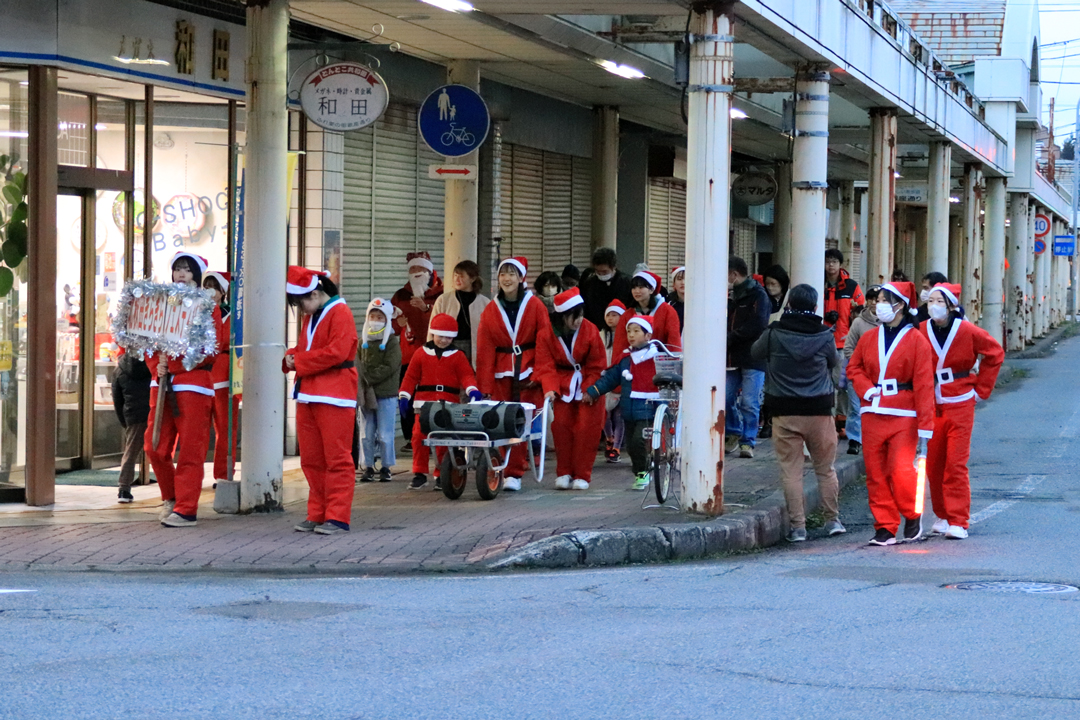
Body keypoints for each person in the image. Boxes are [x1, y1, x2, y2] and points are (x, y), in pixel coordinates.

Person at [751, 284, 846, 542]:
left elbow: (755, 353)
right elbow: (833, 363)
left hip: (785, 411)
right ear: (815, 308)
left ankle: (798, 527)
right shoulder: (825, 335)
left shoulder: (774, 334)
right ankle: (832, 520)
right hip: (819, 410)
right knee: (825, 469)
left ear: (788, 305)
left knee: (791, 472)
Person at [846, 281, 935, 546]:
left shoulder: (917, 340)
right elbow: (854, 367)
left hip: (904, 413)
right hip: (872, 410)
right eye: (878, 299)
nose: (878, 304)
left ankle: (911, 514)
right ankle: (884, 525)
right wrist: (866, 390)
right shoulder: (869, 337)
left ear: (900, 305)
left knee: (901, 470)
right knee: (875, 473)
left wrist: (925, 424)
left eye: (885, 299)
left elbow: (923, 384)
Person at [919, 283, 1004, 539]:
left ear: (951, 305)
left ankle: (959, 519)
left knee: (955, 463)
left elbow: (995, 353)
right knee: (934, 464)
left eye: (939, 301)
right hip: (933, 402)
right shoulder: (922, 329)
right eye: (930, 301)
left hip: (961, 400)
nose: (933, 306)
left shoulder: (967, 329)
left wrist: (981, 389)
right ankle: (942, 515)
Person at [145, 252, 220, 528]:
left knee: (190, 449)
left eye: (187, 270)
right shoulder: (164, 303)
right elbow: (150, 340)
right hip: (162, 385)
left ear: (197, 276)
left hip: (194, 386)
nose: (181, 274)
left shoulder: (207, 305)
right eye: (177, 269)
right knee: (154, 446)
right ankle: (171, 498)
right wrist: (156, 367)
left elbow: (209, 350)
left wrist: (173, 364)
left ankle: (186, 509)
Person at [284, 266, 359, 535]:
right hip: (309, 394)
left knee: (337, 459)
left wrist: (298, 360)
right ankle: (318, 513)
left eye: (301, 301)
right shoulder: (316, 313)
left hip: (335, 395)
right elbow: (309, 348)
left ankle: (337, 516)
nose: (301, 308)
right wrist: (291, 357)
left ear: (315, 293)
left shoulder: (341, 312)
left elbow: (336, 353)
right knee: (312, 459)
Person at [476, 257, 551, 492]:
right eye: (502, 274)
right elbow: (485, 348)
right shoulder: (491, 309)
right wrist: (484, 385)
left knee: (520, 423)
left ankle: (515, 472)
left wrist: (539, 373)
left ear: (521, 278)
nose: (506, 279)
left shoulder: (536, 306)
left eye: (511, 274)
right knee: (498, 422)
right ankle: (497, 467)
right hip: (500, 373)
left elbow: (545, 342)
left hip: (527, 371)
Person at [399, 314, 481, 490]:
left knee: (444, 440)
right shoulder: (420, 353)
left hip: (448, 406)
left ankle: (440, 473)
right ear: (432, 334)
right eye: (440, 336)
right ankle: (419, 473)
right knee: (418, 438)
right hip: (423, 405)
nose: (444, 340)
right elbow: (410, 377)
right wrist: (404, 396)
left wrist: (472, 389)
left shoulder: (458, 356)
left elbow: (467, 375)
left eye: (448, 337)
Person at [536, 288, 607, 490]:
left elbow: (597, 364)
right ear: (562, 316)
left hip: (588, 381)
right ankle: (564, 472)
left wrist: (591, 389)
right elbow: (545, 364)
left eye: (581, 315)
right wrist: (549, 388)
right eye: (573, 317)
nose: (578, 321)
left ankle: (582, 474)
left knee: (587, 429)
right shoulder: (545, 334)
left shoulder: (590, 330)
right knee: (561, 428)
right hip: (562, 383)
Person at [584, 316, 662, 490]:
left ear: (648, 335)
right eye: (629, 331)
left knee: (638, 442)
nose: (631, 335)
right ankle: (640, 471)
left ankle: (643, 472)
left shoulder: (657, 357)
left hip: (648, 410)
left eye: (636, 331)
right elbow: (611, 378)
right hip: (628, 410)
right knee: (631, 445)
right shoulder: (625, 358)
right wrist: (594, 391)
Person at [391, 251, 444, 453]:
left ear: (429, 272)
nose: (417, 273)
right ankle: (409, 437)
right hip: (408, 355)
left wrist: (425, 309)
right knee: (407, 396)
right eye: (413, 269)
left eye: (421, 269)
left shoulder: (441, 295)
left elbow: (443, 321)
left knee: (432, 395)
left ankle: (434, 433)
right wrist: (398, 323)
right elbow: (391, 326)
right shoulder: (401, 295)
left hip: (434, 355)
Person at [725, 256, 770, 458]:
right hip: (731, 356)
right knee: (725, 397)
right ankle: (734, 431)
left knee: (749, 402)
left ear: (734, 274)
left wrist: (732, 336)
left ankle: (748, 440)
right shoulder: (730, 295)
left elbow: (759, 323)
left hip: (753, 356)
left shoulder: (758, 295)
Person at [358, 298, 401, 483]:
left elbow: (390, 365)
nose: (375, 320)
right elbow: (357, 363)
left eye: (380, 317)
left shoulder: (391, 341)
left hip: (386, 394)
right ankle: (367, 466)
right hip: (367, 394)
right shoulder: (362, 341)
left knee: (385, 434)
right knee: (366, 434)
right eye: (372, 316)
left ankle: (386, 466)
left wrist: (368, 377)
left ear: (387, 320)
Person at [823, 249, 865, 436]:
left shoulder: (851, 286)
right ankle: (827, 420)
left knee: (842, 385)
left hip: (842, 342)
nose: (830, 265)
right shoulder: (818, 282)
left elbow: (860, 311)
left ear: (840, 264)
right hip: (822, 341)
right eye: (827, 261)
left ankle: (842, 419)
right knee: (826, 384)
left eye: (834, 262)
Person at [203, 270, 239, 485]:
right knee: (197, 430)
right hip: (201, 377)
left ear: (223, 292)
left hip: (226, 377)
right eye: (206, 287)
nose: (210, 292)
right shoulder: (196, 313)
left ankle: (223, 475)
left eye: (214, 288)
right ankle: (191, 475)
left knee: (226, 429)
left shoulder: (232, 314)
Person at [842, 284, 882, 455]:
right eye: (871, 299)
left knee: (876, 409)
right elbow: (848, 347)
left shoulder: (889, 322)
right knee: (855, 407)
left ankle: (874, 439)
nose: (874, 303)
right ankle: (854, 439)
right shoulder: (858, 322)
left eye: (878, 299)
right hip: (859, 373)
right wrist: (858, 364)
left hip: (881, 375)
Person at [429, 260, 490, 367]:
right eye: (455, 275)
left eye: (461, 276)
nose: (457, 279)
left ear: (473, 278)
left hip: (474, 350)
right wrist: (430, 352)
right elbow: (432, 329)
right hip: (447, 347)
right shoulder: (443, 299)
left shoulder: (485, 303)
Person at [611, 269, 682, 359]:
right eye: (634, 288)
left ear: (651, 289)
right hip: (634, 365)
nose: (636, 291)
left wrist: (674, 363)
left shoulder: (668, 311)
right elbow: (620, 345)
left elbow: (673, 343)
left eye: (641, 287)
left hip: (660, 364)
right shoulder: (627, 315)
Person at [111, 348, 151, 504]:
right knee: (161, 450)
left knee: (130, 453)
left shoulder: (119, 369)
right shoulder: (151, 365)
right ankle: (170, 489)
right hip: (154, 411)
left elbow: (117, 398)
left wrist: (124, 421)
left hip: (133, 414)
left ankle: (124, 488)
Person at [580, 247, 633, 331]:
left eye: (605, 272)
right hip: (596, 329)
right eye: (598, 271)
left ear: (614, 267)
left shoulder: (627, 283)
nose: (601, 274)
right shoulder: (589, 283)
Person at [601, 300, 626, 463]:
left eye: (615, 315)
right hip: (604, 377)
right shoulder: (601, 334)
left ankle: (616, 446)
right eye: (608, 315)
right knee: (604, 413)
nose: (611, 318)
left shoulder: (627, 334)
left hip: (622, 378)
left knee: (619, 415)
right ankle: (608, 438)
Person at [668, 266, 686, 332]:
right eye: (679, 279)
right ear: (674, 284)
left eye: (686, 279)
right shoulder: (669, 306)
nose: (683, 282)